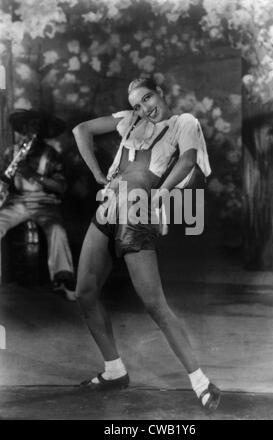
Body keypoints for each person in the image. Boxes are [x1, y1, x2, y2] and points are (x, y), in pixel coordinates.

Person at [72, 78, 221, 411]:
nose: (144, 107)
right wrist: (98, 175)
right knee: (84, 292)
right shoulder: (128, 119)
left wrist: (159, 195)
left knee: (155, 304)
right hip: (108, 206)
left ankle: (201, 382)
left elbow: (187, 162)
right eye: (138, 103)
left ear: (161, 93)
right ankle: (114, 370)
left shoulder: (184, 123)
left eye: (148, 97)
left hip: (138, 211)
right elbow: (81, 130)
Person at [0, 109, 76, 301]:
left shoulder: (52, 155)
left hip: (44, 203)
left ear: (42, 130)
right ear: (23, 128)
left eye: (36, 125)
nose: (32, 129)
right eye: (28, 125)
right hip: (17, 201)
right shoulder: (12, 152)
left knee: (57, 229)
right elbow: (4, 177)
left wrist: (34, 175)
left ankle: (63, 279)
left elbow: (60, 186)